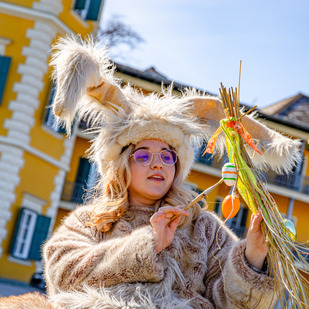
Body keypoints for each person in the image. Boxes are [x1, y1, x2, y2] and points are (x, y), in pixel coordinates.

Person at [4, 36, 300, 309]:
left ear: (178, 167)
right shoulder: (89, 221)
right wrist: (149, 244)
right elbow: (62, 273)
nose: (157, 164)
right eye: (143, 155)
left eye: (168, 156)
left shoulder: (204, 228)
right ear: (121, 164)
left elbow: (232, 302)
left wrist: (253, 257)